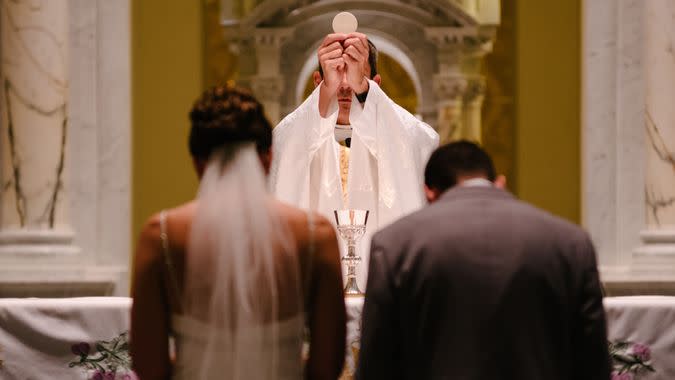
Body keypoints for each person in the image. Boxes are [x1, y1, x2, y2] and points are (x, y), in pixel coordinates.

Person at [130, 85, 346, 380]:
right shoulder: (314, 235)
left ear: (197, 162)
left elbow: (150, 369)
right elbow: (326, 368)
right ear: (269, 156)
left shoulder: (162, 236)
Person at [357, 141, 611, 380]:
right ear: (499, 183)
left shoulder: (394, 244)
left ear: (429, 193)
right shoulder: (570, 241)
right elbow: (592, 363)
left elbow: (378, 364)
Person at [270, 32, 439, 288]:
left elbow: (423, 142)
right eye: (336, 75)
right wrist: (328, 90)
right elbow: (282, 147)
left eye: (355, 76)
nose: (345, 86)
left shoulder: (396, 132)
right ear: (318, 81)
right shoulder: (300, 134)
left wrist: (364, 91)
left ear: (376, 84)